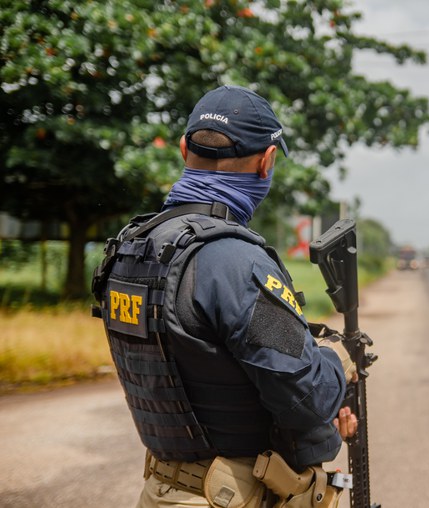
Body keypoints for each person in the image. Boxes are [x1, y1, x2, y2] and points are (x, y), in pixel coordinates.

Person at [92, 85, 357, 507]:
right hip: (230, 497)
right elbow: (307, 398)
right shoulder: (235, 261)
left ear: (184, 150)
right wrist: (337, 360)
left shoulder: (134, 247)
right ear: (267, 162)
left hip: (161, 489)